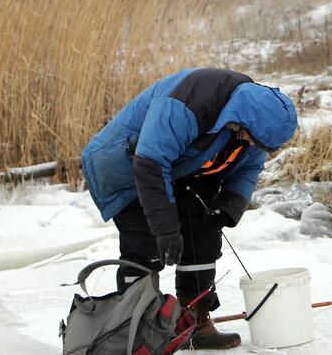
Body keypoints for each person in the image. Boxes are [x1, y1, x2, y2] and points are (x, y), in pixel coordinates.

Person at [81, 68, 298, 349]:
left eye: (256, 142)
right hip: (128, 167)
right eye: (248, 135)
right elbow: (150, 163)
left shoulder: (256, 123)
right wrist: (166, 229)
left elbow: (250, 165)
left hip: (183, 169)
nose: (249, 142)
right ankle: (138, 332)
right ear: (241, 117)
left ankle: (193, 321)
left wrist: (229, 205)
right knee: (146, 246)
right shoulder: (190, 103)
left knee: (204, 233)